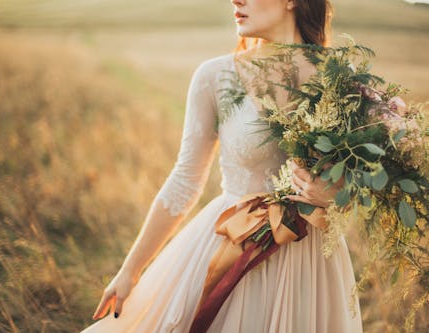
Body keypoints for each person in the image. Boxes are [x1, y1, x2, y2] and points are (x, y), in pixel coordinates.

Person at [81, 0, 363, 332]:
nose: (236, 0)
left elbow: (366, 179)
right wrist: (131, 270)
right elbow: (185, 179)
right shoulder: (216, 76)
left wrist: (333, 194)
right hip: (232, 243)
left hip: (313, 263)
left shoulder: (341, 80)